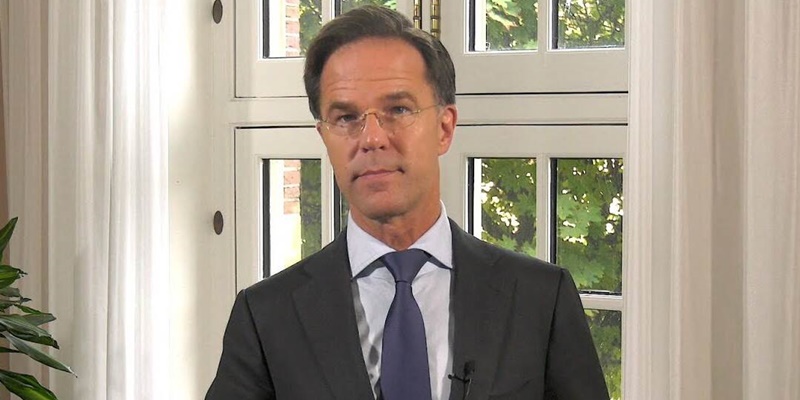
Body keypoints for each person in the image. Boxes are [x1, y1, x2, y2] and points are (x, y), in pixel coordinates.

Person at [206, 5, 608, 400]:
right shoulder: (267, 316)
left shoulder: (540, 299)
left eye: (398, 110)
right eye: (346, 118)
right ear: (324, 137)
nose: (372, 138)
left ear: (444, 128)